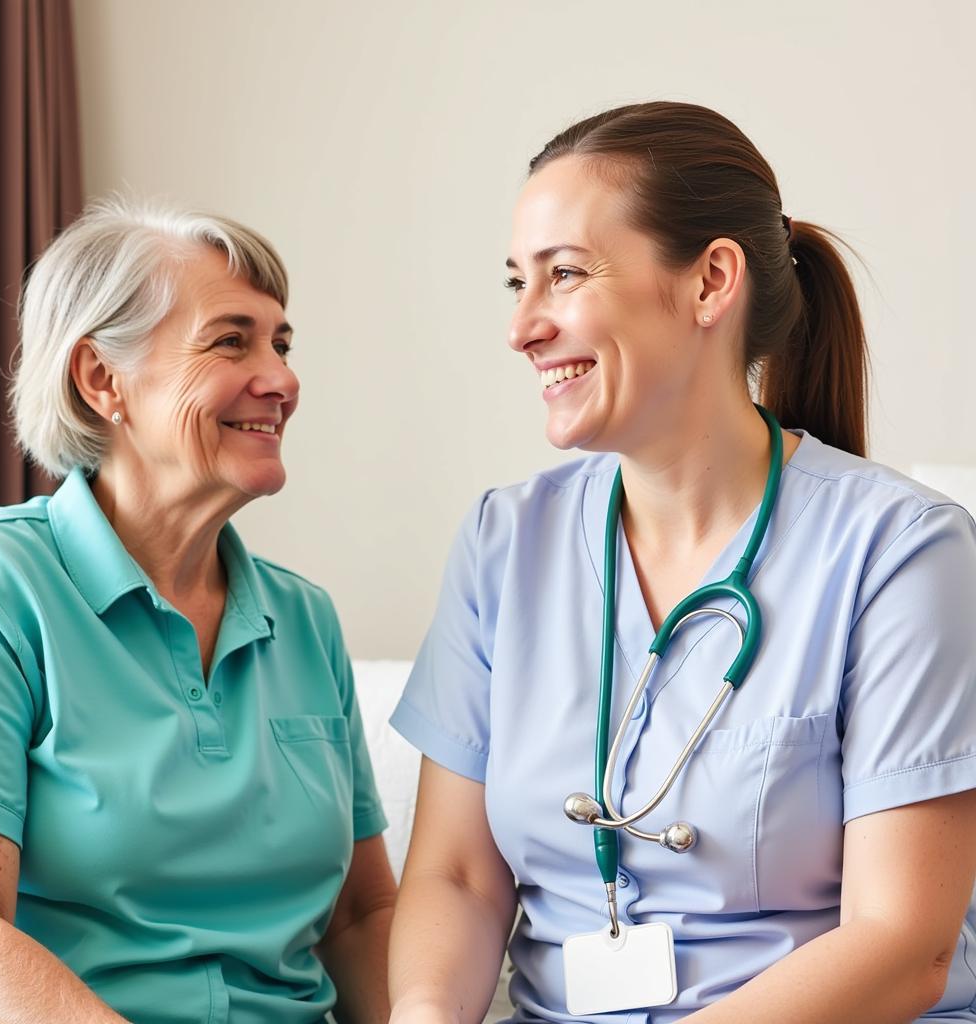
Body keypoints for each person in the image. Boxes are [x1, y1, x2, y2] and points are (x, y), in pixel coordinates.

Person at [387, 102, 976, 1023]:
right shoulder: (505, 542)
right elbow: (458, 878)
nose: (523, 327)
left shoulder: (905, 552)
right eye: (517, 283)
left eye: (566, 275)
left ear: (710, 282)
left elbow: (903, 945)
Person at [0, 198, 395, 1024]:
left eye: (282, 343)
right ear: (100, 379)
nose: (283, 379)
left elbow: (362, 916)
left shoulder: (304, 619)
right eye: (232, 340)